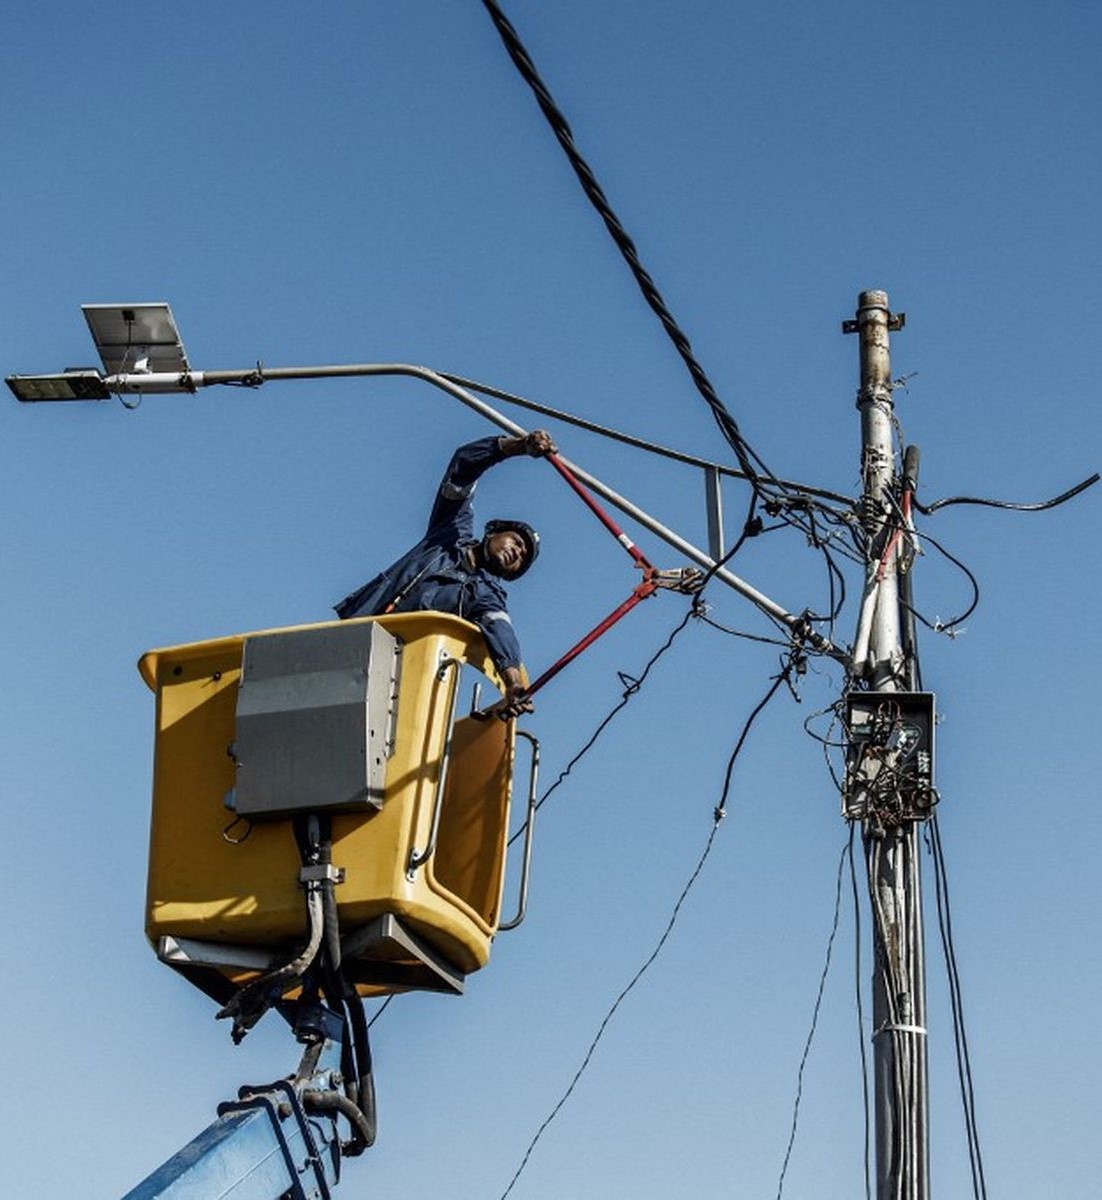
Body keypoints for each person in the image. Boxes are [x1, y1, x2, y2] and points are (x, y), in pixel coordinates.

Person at [335, 429, 557, 717]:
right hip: (351, 642)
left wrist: (513, 682)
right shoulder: (449, 532)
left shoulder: (487, 596)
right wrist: (518, 446)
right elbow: (463, 465)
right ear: (493, 532)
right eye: (516, 541)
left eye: (522, 557)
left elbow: (500, 631)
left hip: (396, 680)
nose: (517, 551)